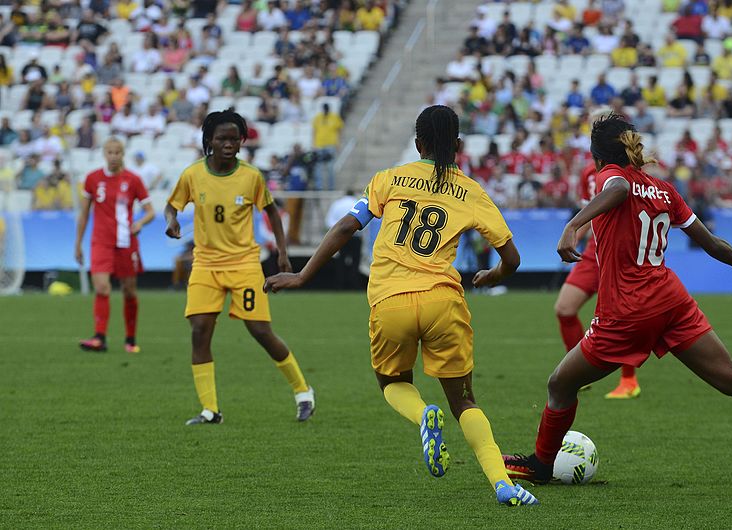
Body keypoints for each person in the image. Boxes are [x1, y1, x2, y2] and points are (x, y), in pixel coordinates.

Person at [503, 113, 732, 484]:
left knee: (559, 385)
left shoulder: (610, 177)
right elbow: (709, 242)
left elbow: (618, 191)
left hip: (628, 309)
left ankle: (541, 465)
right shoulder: (664, 190)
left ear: (598, 158)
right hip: (671, 300)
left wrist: (573, 224)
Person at [265, 106, 538, 507]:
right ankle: (503, 484)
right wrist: (493, 276)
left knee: (392, 382)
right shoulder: (473, 192)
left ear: (417, 144)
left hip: (390, 301)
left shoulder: (390, 179)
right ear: (459, 146)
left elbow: (345, 226)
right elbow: (512, 259)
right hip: (443, 302)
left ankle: (422, 414)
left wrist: (303, 276)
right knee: (464, 401)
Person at [164, 109, 315, 425]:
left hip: (245, 263)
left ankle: (303, 392)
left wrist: (283, 254)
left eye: (235, 139)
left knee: (260, 331)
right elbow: (171, 205)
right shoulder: (193, 175)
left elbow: (272, 213)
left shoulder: (251, 176)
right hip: (205, 264)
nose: (229, 144)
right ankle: (210, 410)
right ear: (210, 141)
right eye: (223, 139)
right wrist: (172, 220)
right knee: (199, 331)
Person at [555, 159, 641, 399]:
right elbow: (586, 216)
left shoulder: (628, 171)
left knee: (623, 315)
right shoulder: (588, 173)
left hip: (621, 249)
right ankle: (577, 373)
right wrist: (572, 238)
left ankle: (629, 381)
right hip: (594, 250)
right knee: (564, 308)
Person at [75, 137, 155, 353]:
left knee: (129, 291)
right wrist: (78, 244)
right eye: (110, 152)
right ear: (104, 154)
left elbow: (151, 212)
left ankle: (130, 339)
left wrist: (139, 223)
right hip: (100, 241)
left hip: (126, 242)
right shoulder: (92, 179)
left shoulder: (133, 180)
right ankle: (99, 337)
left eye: (117, 152)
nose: (113, 156)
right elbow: (83, 214)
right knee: (102, 287)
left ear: (123, 154)